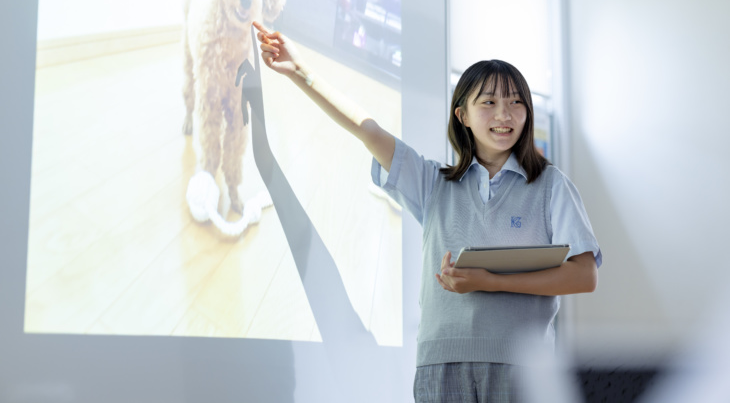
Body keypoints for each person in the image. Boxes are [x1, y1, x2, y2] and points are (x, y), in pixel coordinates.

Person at [253, 21, 602, 403]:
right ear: (462, 116)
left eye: (516, 102)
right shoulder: (433, 182)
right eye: (488, 102)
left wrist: (490, 281)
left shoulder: (551, 185)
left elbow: (584, 275)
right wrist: (303, 73)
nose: (505, 114)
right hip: (440, 366)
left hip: (522, 366)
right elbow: (367, 129)